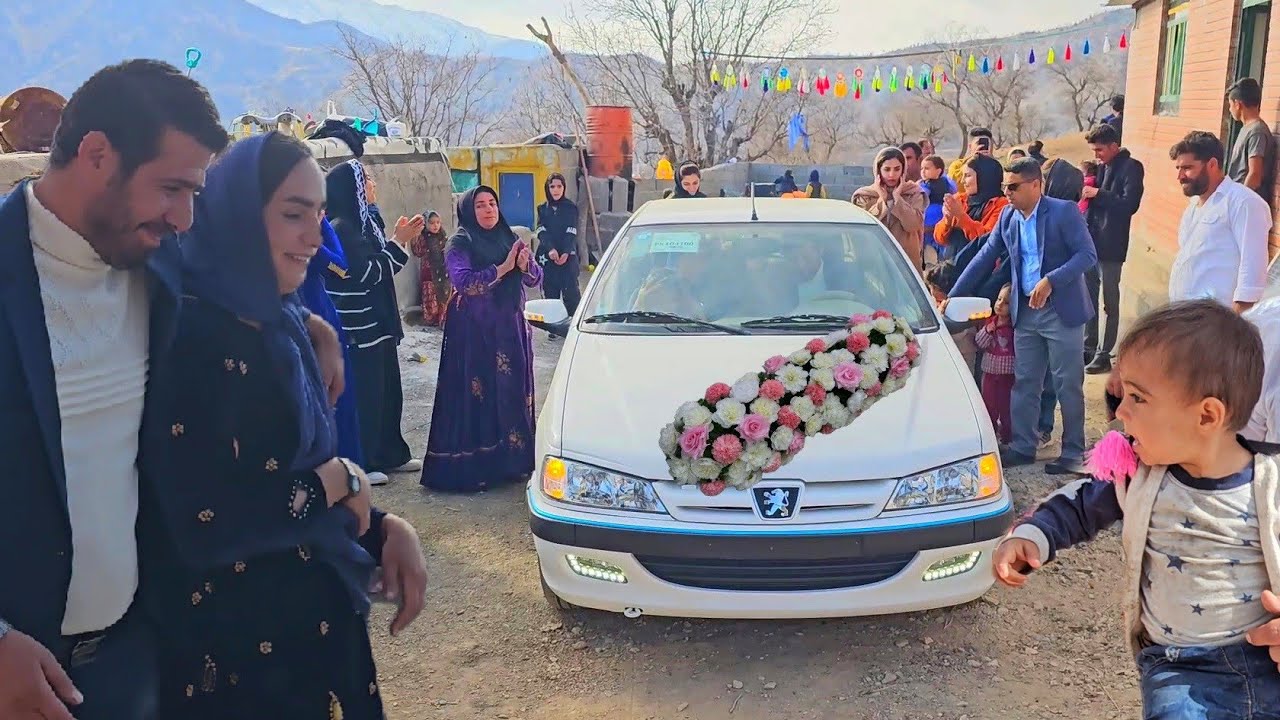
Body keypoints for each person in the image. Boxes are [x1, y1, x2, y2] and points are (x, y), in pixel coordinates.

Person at [0, 60, 342, 720]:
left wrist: (306, 322)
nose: (186, 218)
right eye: (172, 188)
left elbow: (237, 279)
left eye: (197, 194)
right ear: (97, 154)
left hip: (136, 661)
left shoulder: (156, 261)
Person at [146, 131, 427, 719]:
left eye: (319, 215)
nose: (313, 236)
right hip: (240, 666)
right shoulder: (192, 340)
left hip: (318, 643)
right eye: (293, 215)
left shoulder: (282, 325)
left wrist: (379, 530)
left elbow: (282, 472)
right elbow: (208, 523)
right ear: (238, 217)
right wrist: (343, 481)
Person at [993, 300, 1280, 719]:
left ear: (1207, 415)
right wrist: (1032, 535)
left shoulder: (1270, 482)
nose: (1120, 412)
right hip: (1180, 671)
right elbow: (1077, 505)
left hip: (1264, 661)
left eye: (1138, 398)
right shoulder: (1140, 474)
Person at [947, 158, 1097, 476]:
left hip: (1061, 311)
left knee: (1066, 382)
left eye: (1013, 187)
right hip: (1026, 312)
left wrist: (1051, 280)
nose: (1007, 193)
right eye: (1004, 186)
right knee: (1025, 381)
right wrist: (953, 297)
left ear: (1035, 185)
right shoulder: (1008, 216)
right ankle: (1022, 446)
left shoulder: (1063, 212)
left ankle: (1073, 452)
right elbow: (986, 255)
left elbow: (1087, 255)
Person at [421, 186, 543, 492]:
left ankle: (512, 462)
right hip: (474, 330)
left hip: (510, 325)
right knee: (481, 392)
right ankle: (481, 467)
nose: (489, 210)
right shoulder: (459, 242)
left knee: (512, 390)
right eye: (480, 205)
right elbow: (464, 283)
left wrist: (526, 265)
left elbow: (535, 277)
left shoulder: (508, 237)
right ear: (468, 211)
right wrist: (503, 268)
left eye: (492, 204)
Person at [324, 159, 424, 482]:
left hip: (379, 323)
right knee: (365, 397)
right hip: (359, 327)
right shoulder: (342, 227)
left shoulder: (367, 223)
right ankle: (363, 462)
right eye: (366, 179)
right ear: (351, 188)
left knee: (388, 393)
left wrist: (396, 238)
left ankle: (391, 453)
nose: (373, 184)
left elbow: (381, 267)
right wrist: (398, 243)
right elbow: (366, 274)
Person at [1168, 131, 1273, 313]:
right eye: (1178, 169)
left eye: (1187, 168)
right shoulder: (1193, 206)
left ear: (1212, 164)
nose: (1180, 176)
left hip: (1218, 324)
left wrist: (1235, 323)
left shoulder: (1243, 202)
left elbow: (1253, 270)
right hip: (1187, 317)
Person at [299, 218, 366, 464]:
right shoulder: (302, 234)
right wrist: (320, 223)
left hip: (317, 316)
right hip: (311, 318)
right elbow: (340, 268)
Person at [1082, 122, 1145, 375]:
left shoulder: (1131, 168)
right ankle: (1088, 345)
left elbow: (1129, 204)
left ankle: (1104, 352)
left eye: (1100, 150)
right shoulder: (1100, 168)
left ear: (1114, 146)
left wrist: (1099, 193)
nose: (1096, 155)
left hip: (1112, 243)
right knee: (1088, 297)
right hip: (1092, 241)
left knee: (1110, 301)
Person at [852, 146, 926, 273]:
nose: (892, 175)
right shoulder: (864, 196)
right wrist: (883, 200)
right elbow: (865, 228)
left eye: (897, 169)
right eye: (886, 169)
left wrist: (898, 199)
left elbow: (913, 225)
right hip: (874, 262)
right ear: (878, 171)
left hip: (906, 261)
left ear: (903, 170)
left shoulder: (913, 193)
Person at [934, 154, 1007, 262]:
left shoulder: (1001, 205)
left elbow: (987, 240)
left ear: (984, 176)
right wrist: (948, 220)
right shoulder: (960, 199)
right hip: (951, 267)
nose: (963, 181)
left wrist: (961, 216)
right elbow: (940, 239)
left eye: (967, 175)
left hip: (982, 270)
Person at [535, 172, 582, 325]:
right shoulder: (542, 208)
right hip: (549, 257)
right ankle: (553, 325)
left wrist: (566, 252)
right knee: (550, 292)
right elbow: (541, 230)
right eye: (552, 186)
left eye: (559, 186)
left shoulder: (570, 208)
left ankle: (574, 323)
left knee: (571, 291)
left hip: (567, 257)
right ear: (547, 188)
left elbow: (571, 230)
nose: (556, 190)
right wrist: (550, 250)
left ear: (564, 188)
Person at [974, 284, 1015, 443]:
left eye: (1006, 302)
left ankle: (1007, 438)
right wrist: (989, 330)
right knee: (989, 405)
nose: (1000, 304)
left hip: (1009, 376)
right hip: (990, 373)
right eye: (999, 299)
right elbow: (979, 342)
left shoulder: (1015, 327)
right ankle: (990, 437)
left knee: (1007, 407)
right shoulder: (990, 322)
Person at [1226, 78, 1276, 202]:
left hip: (1248, 203)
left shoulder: (1257, 131)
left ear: (1238, 104)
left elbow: (1254, 175)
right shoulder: (1247, 128)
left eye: (1230, 105)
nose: (1230, 109)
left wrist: (1238, 201)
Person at [410, 210, 451, 327]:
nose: (435, 225)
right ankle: (430, 319)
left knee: (443, 296)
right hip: (429, 274)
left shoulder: (443, 237)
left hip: (443, 273)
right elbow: (417, 252)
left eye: (438, 222)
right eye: (432, 223)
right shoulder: (423, 238)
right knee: (430, 299)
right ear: (426, 224)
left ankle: (442, 320)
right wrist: (416, 235)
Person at [920, 155, 955, 267]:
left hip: (940, 220)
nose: (923, 172)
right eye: (922, 168)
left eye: (927, 168)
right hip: (926, 226)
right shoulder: (923, 184)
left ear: (938, 171)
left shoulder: (946, 183)